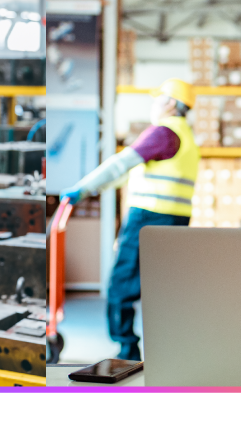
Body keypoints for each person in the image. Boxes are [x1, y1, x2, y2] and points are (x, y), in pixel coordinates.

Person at [62, 78, 200, 361]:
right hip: (176, 220)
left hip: (148, 217)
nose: (154, 104)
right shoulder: (186, 137)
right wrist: (98, 188)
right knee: (161, 287)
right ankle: (169, 350)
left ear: (171, 103)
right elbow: (128, 174)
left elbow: (121, 163)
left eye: (158, 98)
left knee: (122, 282)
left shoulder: (163, 132)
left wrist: (83, 188)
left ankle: (127, 347)